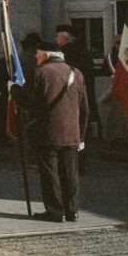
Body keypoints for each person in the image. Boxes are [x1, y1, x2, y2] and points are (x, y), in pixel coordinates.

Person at [18, 41, 89, 222]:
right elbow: (84, 108)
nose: (36, 57)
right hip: (72, 132)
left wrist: (13, 88)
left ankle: (55, 211)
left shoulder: (41, 73)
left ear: (47, 55)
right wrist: (82, 135)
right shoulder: (76, 73)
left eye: (38, 54)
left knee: (50, 173)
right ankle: (72, 210)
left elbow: (28, 101)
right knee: (70, 173)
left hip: (48, 132)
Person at [56, 24, 96, 174]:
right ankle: (82, 162)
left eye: (58, 37)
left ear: (63, 39)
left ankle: (72, 165)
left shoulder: (64, 54)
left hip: (68, 97)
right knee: (83, 129)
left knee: (69, 130)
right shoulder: (84, 52)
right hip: (84, 95)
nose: (56, 40)